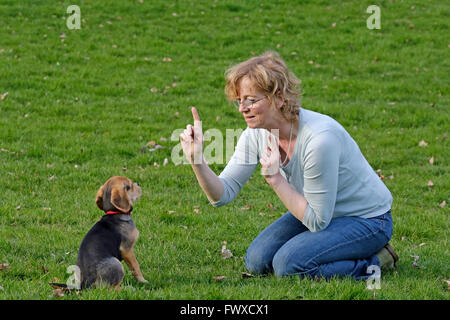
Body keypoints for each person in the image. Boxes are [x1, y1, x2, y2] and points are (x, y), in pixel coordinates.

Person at [179, 51, 398, 280]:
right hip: (318, 209)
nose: (243, 108)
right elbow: (222, 195)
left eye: (251, 100)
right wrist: (197, 160)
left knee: (288, 265)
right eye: (239, 101)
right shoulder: (256, 133)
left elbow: (316, 220)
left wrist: (275, 179)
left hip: (367, 219)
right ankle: (337, 249)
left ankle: (377, 260)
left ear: (279, 98)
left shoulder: (319, 139)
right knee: (257, 261)